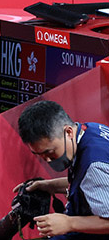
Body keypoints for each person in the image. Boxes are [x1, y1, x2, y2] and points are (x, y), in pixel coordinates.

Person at [16, 100, 109, 238]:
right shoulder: (89, 130)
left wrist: (69, 223)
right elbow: (91, 182)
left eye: (49, 152)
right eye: (39, 155)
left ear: (68, 132)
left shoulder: (94, 165)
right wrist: (50, 185)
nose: (47, 160)